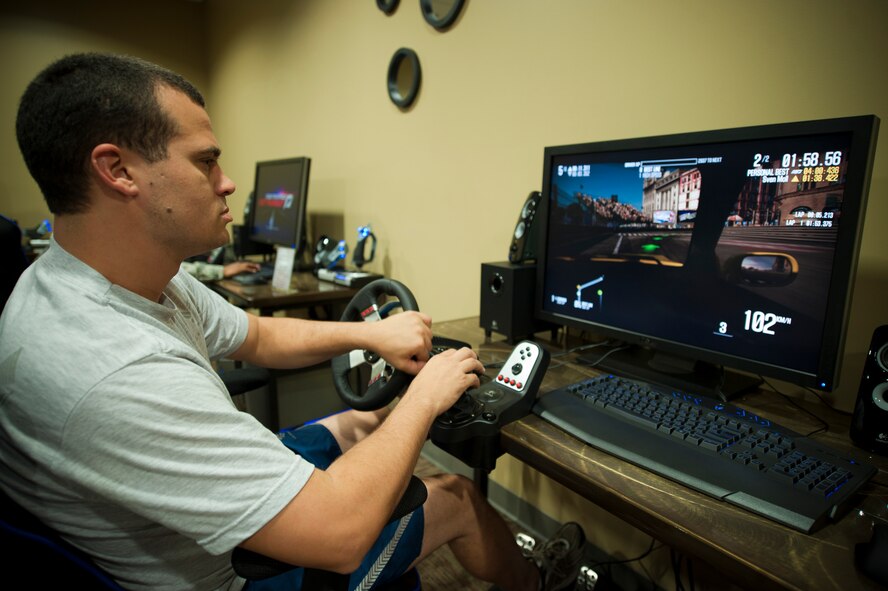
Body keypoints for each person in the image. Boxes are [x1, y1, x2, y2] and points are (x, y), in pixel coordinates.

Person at [0, 52, 584, 591]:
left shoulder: (111, 279)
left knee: (367, 420)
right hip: (232, 577)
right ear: (117, 170)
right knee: (453, 493)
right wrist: (424, 399)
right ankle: (541, 585)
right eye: (205, 161)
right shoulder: (117, 369)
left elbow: (258, 334)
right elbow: (340, 536)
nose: (228, 182)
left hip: (192, 511)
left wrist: (368, 334)